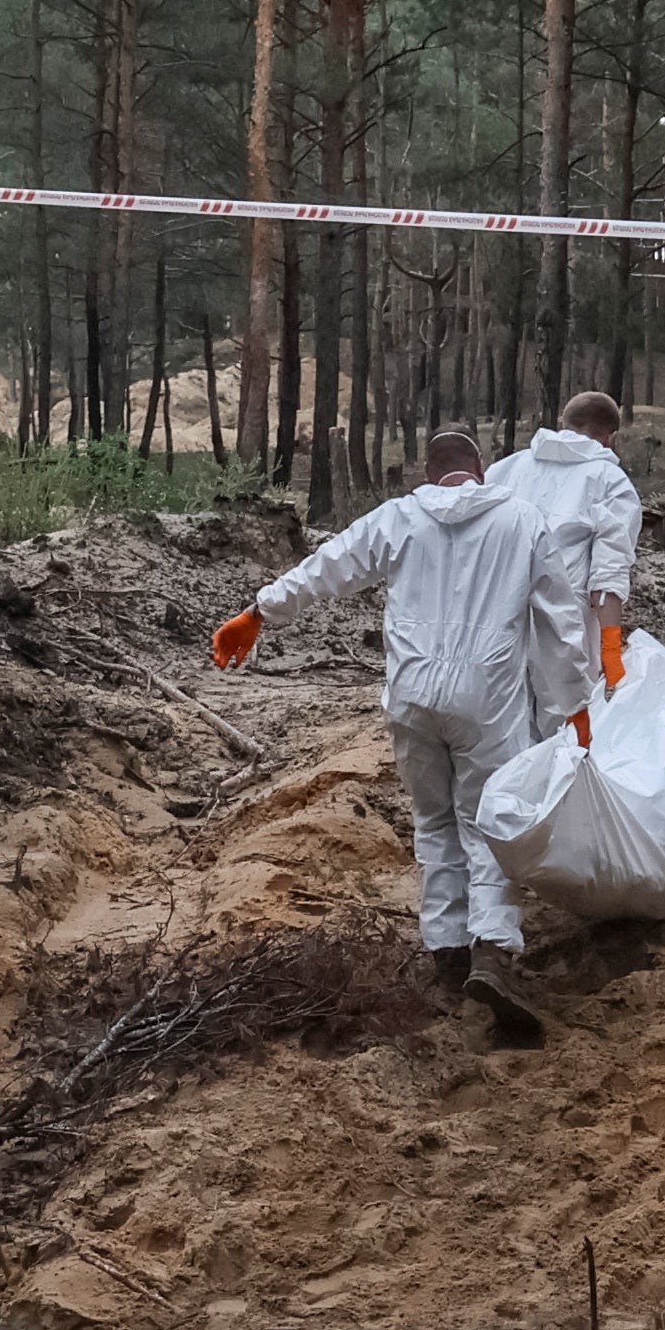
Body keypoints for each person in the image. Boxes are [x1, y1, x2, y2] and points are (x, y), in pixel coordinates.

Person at [215, 427, 567, 1038]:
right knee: (489, 820)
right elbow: (560, 620)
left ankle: (447, 951)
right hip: (487, 698)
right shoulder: (524, 521)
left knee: (434, 820)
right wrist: (572, 705)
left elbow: (329, 567)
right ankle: (492, 950)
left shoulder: (402, 517)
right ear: (482, 469)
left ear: (428, 474)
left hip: (411, 695)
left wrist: (259, 612)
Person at [493, 387, 648, 735]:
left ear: (563, 424)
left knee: (506, 731)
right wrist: (611, 651)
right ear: (612, 438)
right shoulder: (610, 482)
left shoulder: (507, 470)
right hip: (566, 622)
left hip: (500, 615)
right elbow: (608, 575)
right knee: (566, 731)